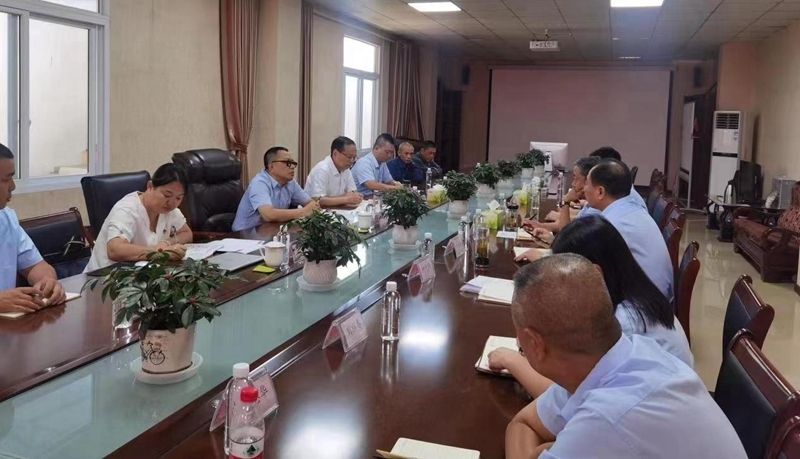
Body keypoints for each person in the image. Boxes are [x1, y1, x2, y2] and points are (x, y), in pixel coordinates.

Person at [505, 254, 747, 459]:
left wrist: (551, 448)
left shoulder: (607, 418)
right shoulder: (623, 355)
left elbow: (526, 427)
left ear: (535, 344)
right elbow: (523, 423)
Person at [497, 215, 692, 397]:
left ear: (595, 273)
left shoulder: (623, 324)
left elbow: (571, 395)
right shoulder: (634, 293)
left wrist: (512, 361)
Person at [528, 160, 674, 300]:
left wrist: (543, 258)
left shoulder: (612, 221)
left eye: (587, 184)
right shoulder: (627, 209)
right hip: (651, 297)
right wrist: (553, 241)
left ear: (600, 192)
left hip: (639, 304)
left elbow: (580, 264)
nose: (583, 189)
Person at [84, 164, 193, 272]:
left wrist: (166, 243)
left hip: (142, 274)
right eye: (167, 195)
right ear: (150, 186)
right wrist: (160, 252)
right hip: (105, 276)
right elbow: (115, 250)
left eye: (178, 198)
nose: (172, 203)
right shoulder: (127, 209)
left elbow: (186, 233)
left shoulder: (168, 210)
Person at [0, 143, 66, 313]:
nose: (13, 187)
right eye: (5, 180)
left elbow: (37, 266)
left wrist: (47, 282)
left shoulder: (7, 219)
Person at [232, 147, 320, 231]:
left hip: (270, 230)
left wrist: (311, 208)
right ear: (271, 167)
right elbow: (268, 215)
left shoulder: (291, 183)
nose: (292, 167)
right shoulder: (259, 183)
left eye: (293, 163)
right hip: (244, 234)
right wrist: (304, 212)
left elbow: (311, 203)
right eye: (287, 163)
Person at [523, 156, 600, 233]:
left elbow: (565, 233)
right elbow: (571, 225)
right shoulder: (590, 205)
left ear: (588, 181)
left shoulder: (595, 211)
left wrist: (566, 202)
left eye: (576, 179)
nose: (573, 184)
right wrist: (540, 226)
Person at [304, 136, 363, 208]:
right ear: (335, 153)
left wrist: (352, 197)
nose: (352, 161)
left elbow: (353, 192)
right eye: (349, 157)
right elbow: (318, 200)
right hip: (317, 211)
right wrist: (346, 199)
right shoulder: (321, 170)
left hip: (337, 209)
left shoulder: (346, 169)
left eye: (354, 157)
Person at [351, 133, 403, 197]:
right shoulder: (364, 163)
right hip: (361, 198)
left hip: (374, 197)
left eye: (391, 152)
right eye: (387, 152)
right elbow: (372, 186)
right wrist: (396, 189)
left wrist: (396, 184)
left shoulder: (383, 162)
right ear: (376, 148)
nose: (389, 156)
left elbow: (389, 181)